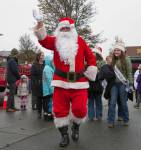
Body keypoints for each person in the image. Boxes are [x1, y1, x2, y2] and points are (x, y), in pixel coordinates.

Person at [33, 11, 97, 147]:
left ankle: (75, 126)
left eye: (68, 28)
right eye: (63, 28)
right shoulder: (55, 41)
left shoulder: (80, 41)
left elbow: (91, 57)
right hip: (61, 82)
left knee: (80, 109)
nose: (66, 30)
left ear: (73, 29)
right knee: (60, 111)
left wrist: (91, 68)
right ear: (59, 29)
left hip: (79, 83)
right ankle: (64, 135)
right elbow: (43, 39)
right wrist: (40, 23)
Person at [107, 37, 133, 128]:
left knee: (123, 102)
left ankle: (126, 119)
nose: (116, 52)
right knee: (112, 103)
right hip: (114, 85)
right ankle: (110, 121)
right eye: (115, 50)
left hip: (123, 84)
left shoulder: (126, 59)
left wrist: (130, 84)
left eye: (118, 50)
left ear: (122, 51)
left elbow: (129, 72)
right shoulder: (113, 60)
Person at [88, 47, 104, 121]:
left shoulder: (102, 62)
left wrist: (98, 71)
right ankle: (91, 116)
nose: (93, 54)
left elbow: (104, 73)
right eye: (92, 52)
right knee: (90, 101)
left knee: (98, 101)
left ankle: (99, 115)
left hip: (98, 83)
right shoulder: (87, 62)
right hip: (90, 84)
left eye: (95, 53)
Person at [31, 51, 45, 119]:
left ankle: (46, 112)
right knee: (39, 99)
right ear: (38, 56)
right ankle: (39, 113)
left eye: (43, 55)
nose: (43, 56)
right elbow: (32, 75)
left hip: (45, 84)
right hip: (38, 84)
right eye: (42, 55)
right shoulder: (34, 65)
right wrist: (36, 82)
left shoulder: (45, 64)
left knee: (45, 99)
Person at [42, 55, 54, 121]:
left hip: (46, 89)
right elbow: (50, 80)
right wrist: (52, 90)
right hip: (49, 90)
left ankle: (46, 115)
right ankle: (49, 116)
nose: (53, 62)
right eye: (51, 60)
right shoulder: (48, 69)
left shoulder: (46, 68)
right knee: (49, 103)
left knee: (46, 103)